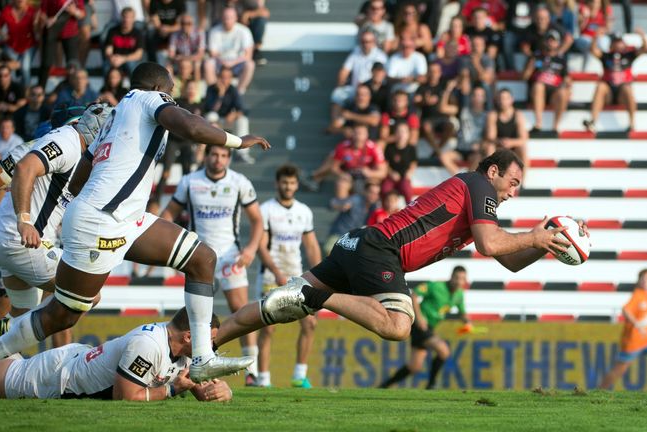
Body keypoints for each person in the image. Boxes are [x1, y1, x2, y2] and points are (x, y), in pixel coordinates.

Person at [0, 62, 270, 400]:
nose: (175, 95)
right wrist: (237, 141)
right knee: (62, 315)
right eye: (172, 89)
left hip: (125, 218)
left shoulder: (116, 116)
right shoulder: (148, 99)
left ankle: (201, 358)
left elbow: (81, 175)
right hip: (102, 221)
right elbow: (192, 127)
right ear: (162, 86)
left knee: (202, 258)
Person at [211, 150, 586, 353]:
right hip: (380, 249)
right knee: (398, 325)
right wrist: (534, 237)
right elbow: (492, 244)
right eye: (513, 182)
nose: (512, 192)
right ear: (492, 172)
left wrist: (547, 244)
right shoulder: (478, 186)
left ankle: (209, 344)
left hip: (358, 244)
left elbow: (511, 260)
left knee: (279, 305)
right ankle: (318, 297)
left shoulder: (476, 203)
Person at [0, 104, 111, 351]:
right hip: (20, 240)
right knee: (86, 293)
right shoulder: (61, 144)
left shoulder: (80, 155)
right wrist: (20, 222)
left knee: (16, 327)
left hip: (18, 240)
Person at [160, 143, 264, 386]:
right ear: (206, 156)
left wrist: (250, 249)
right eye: (214, 154)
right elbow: (168, 215)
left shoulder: (240, 182)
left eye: (224, 155)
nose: (219, 159)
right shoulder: (189, 181)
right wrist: (172, 248)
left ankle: (253, 372)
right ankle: (186, 367)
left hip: (231, 257)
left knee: (242, 311)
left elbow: (257, 220)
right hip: (198, 257)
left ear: (229, 158)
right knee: (192, 315)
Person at [0, 308, 234, 402]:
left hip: (77, 362)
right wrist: (171, 391)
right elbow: (124, 396)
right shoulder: (149, 344)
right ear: (189, 336)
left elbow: (200, 387)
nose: (210, 348)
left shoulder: (184, 349)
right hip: (58, 377)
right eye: (208, 341)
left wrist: (220, 390)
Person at [255, 164, 322, 388]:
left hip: (296, 275)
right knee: (267, 327)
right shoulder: (266, 210)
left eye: (292, 182)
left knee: (309, 324)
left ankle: (299, 375)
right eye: (284, 182)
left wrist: (321, 276)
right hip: (270, 276)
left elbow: (311, 246)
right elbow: (261, 246)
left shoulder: (304, 211)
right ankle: (263, 379)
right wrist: (277, 273)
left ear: (296, 185)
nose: (288, 186)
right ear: (277, 184)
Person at [379, 266, 470, 389]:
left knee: (414, 366)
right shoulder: (436, 286)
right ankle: (431, 385)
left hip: (430, 327)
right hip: (419, 325)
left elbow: (462, 313)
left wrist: (467, 322)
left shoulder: (459, 295)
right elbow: (414, 294)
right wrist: (420, 317)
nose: (459, 281)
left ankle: (384, 386)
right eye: (457, 277)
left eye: (462, 279)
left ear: (465, 281)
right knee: (443, 350)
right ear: (451, 277)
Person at [599, 269, 647, 391]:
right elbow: (625, 310)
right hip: (633, 340)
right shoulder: (637, 295)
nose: (645, 281)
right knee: (619, 370)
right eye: (643, 279)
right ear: (638, 281)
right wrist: (637, 325)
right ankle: (600, 390)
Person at [583, 30, 647, 134]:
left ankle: (632, 124)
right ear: (611, 44)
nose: (618, 44)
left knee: (627, 88)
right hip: (608, 92)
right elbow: (593, 50)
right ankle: (593, 121)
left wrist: (642, 36)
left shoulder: (629, 55)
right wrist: (595, 38)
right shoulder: (606, 56)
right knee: (600, 86)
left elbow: (645, 48)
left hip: (622, 93)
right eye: (616, 42)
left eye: (620, 41)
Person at [330, 30, 388, 115]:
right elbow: (344, 71)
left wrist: (365, 85)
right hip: (355, 89)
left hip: (373, 89)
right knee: (337, 94)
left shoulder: (380, 56)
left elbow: (381, 76)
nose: (366, 44)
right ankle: (336, 124)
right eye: (363, 41)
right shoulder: (355, 52)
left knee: (363, 93)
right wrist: (340, 84)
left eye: (368, 42)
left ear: (374, 42)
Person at [522, 31, 570, 133]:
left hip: (554, 92)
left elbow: (566, 78)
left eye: (554, 40)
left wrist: (568, 87)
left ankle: (555, 126)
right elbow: (525, 77)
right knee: (539, 86)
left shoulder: (561, 60)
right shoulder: (535, 57)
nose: (551, 42)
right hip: (536, 92)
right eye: (549, 40)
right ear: (544, 42)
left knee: (563, 92)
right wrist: (530, 67)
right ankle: (538, 123)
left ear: (558, 43)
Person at [205, 7, 255, 94]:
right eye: (225, 17)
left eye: (230, 17)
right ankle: (214, 92)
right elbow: (212, 53)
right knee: (208, 63)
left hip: (237, 63)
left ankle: (238, 93)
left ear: (236, 18)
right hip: (220, 63)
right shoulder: (214, 31)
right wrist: (223, 61)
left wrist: (233, 62)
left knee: (250, 64)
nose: (227, 20)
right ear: (222, 18)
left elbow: (248, 54)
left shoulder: (244, 31)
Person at [0, 0, 39, 86]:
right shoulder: (7, 10)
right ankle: (12, 89)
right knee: (10, 67)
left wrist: (36, 23)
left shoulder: (32, 11)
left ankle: (26, 91)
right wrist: (2, 34)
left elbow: (37, 31)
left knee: (25, 68)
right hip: (11, 45)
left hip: (28, 45)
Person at [483, 88, 529, 168]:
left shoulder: (518, 115)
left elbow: (523, 139)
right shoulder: (493, 115)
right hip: (498, 146)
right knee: (489, 147)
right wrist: (501, 142)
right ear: (497, 100)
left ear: (511, 100)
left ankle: (523, 180)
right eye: (500, 98)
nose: (502, 101)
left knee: (523, 148)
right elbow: (490, 137)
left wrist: (511, 142)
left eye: (505, 98)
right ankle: (489, 179)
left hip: (514, 147)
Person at [103, 7, 145, 74]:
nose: (126, 20)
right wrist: (112, 58)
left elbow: (138, 54)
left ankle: (134, 84)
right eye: (125, 17)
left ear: (133, 19)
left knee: (132, 65)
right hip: (115, 59)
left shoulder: (138, 33)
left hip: (129, 60)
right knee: (107, 65)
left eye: (129, 17)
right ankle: (106, 84)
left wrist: (123, 59)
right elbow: (108, 50)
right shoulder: (112, 31)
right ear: (121, 17)